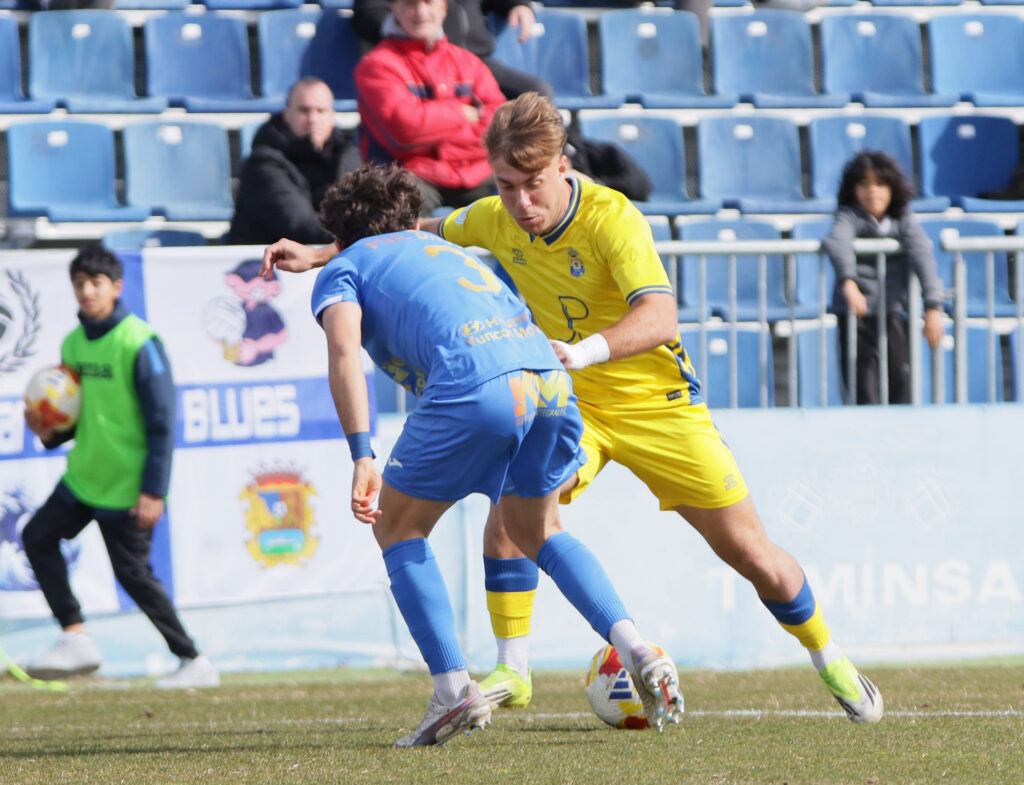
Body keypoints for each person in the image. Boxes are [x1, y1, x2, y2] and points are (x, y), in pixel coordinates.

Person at [265, 163, 683, 746]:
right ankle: (638, 648)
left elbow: (342, 351)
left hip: (474, 385)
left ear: (337, 234)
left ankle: (452, 690)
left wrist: (362, 453)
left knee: (396, 527)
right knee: (539, 530)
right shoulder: (448, 252)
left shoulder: (343, 268)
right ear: (410, 217)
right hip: (549, 378)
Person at [21, 245, 219, 690]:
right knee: (37, 537)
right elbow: (75, 421)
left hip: (129, 487)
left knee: (134, 576)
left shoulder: (139, 342)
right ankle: (75, 637)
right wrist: (46, 429)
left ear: (117, 287)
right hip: (84, 477)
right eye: (79, 284)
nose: (87, 292)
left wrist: (154, 490)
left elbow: (163, 420)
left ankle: (194, 659)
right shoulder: (72, 344)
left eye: (96, 283)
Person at [354, 0, 507, 216]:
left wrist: (439, 144)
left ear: (443, 7)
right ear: (394, 8)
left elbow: (499, 126)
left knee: (529, 185)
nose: (421, 12)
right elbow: (404, 132)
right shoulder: (376, 65)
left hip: (477, 172)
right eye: (410, 4)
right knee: (398, 213)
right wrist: (462, 113)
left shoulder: (468, 61)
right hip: (412, 176)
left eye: (429, 2)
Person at [821, 150, 945, 405]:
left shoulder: (903, 220)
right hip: (856, 317)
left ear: (892, 188)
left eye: (880, 184)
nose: (872, 191)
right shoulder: (849, 216)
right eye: (864, 184)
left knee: (900, 384)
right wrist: (849, 282)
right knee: (862, 388)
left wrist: (932, 306)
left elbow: (923, 255)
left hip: (892, 314)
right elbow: (837, 242)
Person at [227, 78, 361, 246]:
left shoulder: (348, 155)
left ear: (332, 116)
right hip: (266, 268)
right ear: (287, 115)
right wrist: (362, 234)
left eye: (320, 111)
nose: (313, 119)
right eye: (304, 110)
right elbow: (300, 227)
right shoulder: (262, 164)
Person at [351, 0, 552, 100]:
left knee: (536, 94)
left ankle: (546, 170)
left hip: (476, 60)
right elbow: (367, 14)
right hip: (416, 60)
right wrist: (418, 27)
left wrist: (518, 4)